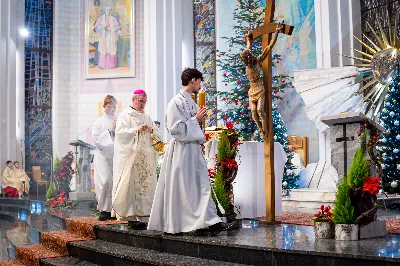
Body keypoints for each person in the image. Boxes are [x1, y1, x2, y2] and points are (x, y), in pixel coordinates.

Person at [148, 68, 229, 235]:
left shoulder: (191, 102)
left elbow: (192, 125)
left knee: (200, 186)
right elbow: (175, 129)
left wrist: (199, 122)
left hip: (193, 150)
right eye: (199, 81)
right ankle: (184, 224)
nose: (200, 85)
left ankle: (210, 221)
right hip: (181, 152)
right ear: (192, 80)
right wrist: (196, 120)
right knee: (185, 189)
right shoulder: (175, 102)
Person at [112, 89, 161, 229]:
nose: (142, 104)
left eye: (144, 102)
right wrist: (136, 130)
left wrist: (151, 130)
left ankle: (146, 216)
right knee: (132, 186)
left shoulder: (147, 117)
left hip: (146, 158)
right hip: (132, 158)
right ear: (133, 100)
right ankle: (132, 217)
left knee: (146, 186)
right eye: (140, 101)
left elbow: (158, 134)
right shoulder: (125, 116)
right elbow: (120, 134)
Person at [239, 22, 283, 139]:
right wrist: (248, 38)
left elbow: (269, 47)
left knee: (260, 110)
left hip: (259, 88)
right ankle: (260, 130)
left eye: (245, 59)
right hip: (252, 90)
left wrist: (277, 32)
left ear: (249, 57)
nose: (244, 62)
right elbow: (248, 45)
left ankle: (265, 129)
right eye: (244, 60)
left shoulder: (258, 61)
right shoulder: (247, 62)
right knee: (253, 112)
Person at [92, 95, 117, 221]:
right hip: (102, 155)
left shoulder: (119, 120)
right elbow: (97, 140)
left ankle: (113, 210)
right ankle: (103, 209)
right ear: (104, 107)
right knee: (106, 181)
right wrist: (109, 131)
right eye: (109, 106)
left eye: (113, 107)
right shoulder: (99, 122)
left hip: (116, 155)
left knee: (115, 182)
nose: (111, 109)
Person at [93, 5, 122, 69]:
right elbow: (96, 29)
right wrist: (103, 25)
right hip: (103, 38)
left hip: (111, 38)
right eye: (106, 9)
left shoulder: (113, 19)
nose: (108, 11)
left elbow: (117, 30)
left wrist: (120, 33)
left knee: (110, 50)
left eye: (109, 9)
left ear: (111, 10)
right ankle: (103, 66)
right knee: (104, 50)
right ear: (104, 10)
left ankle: (111, 66)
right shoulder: (100, 18)